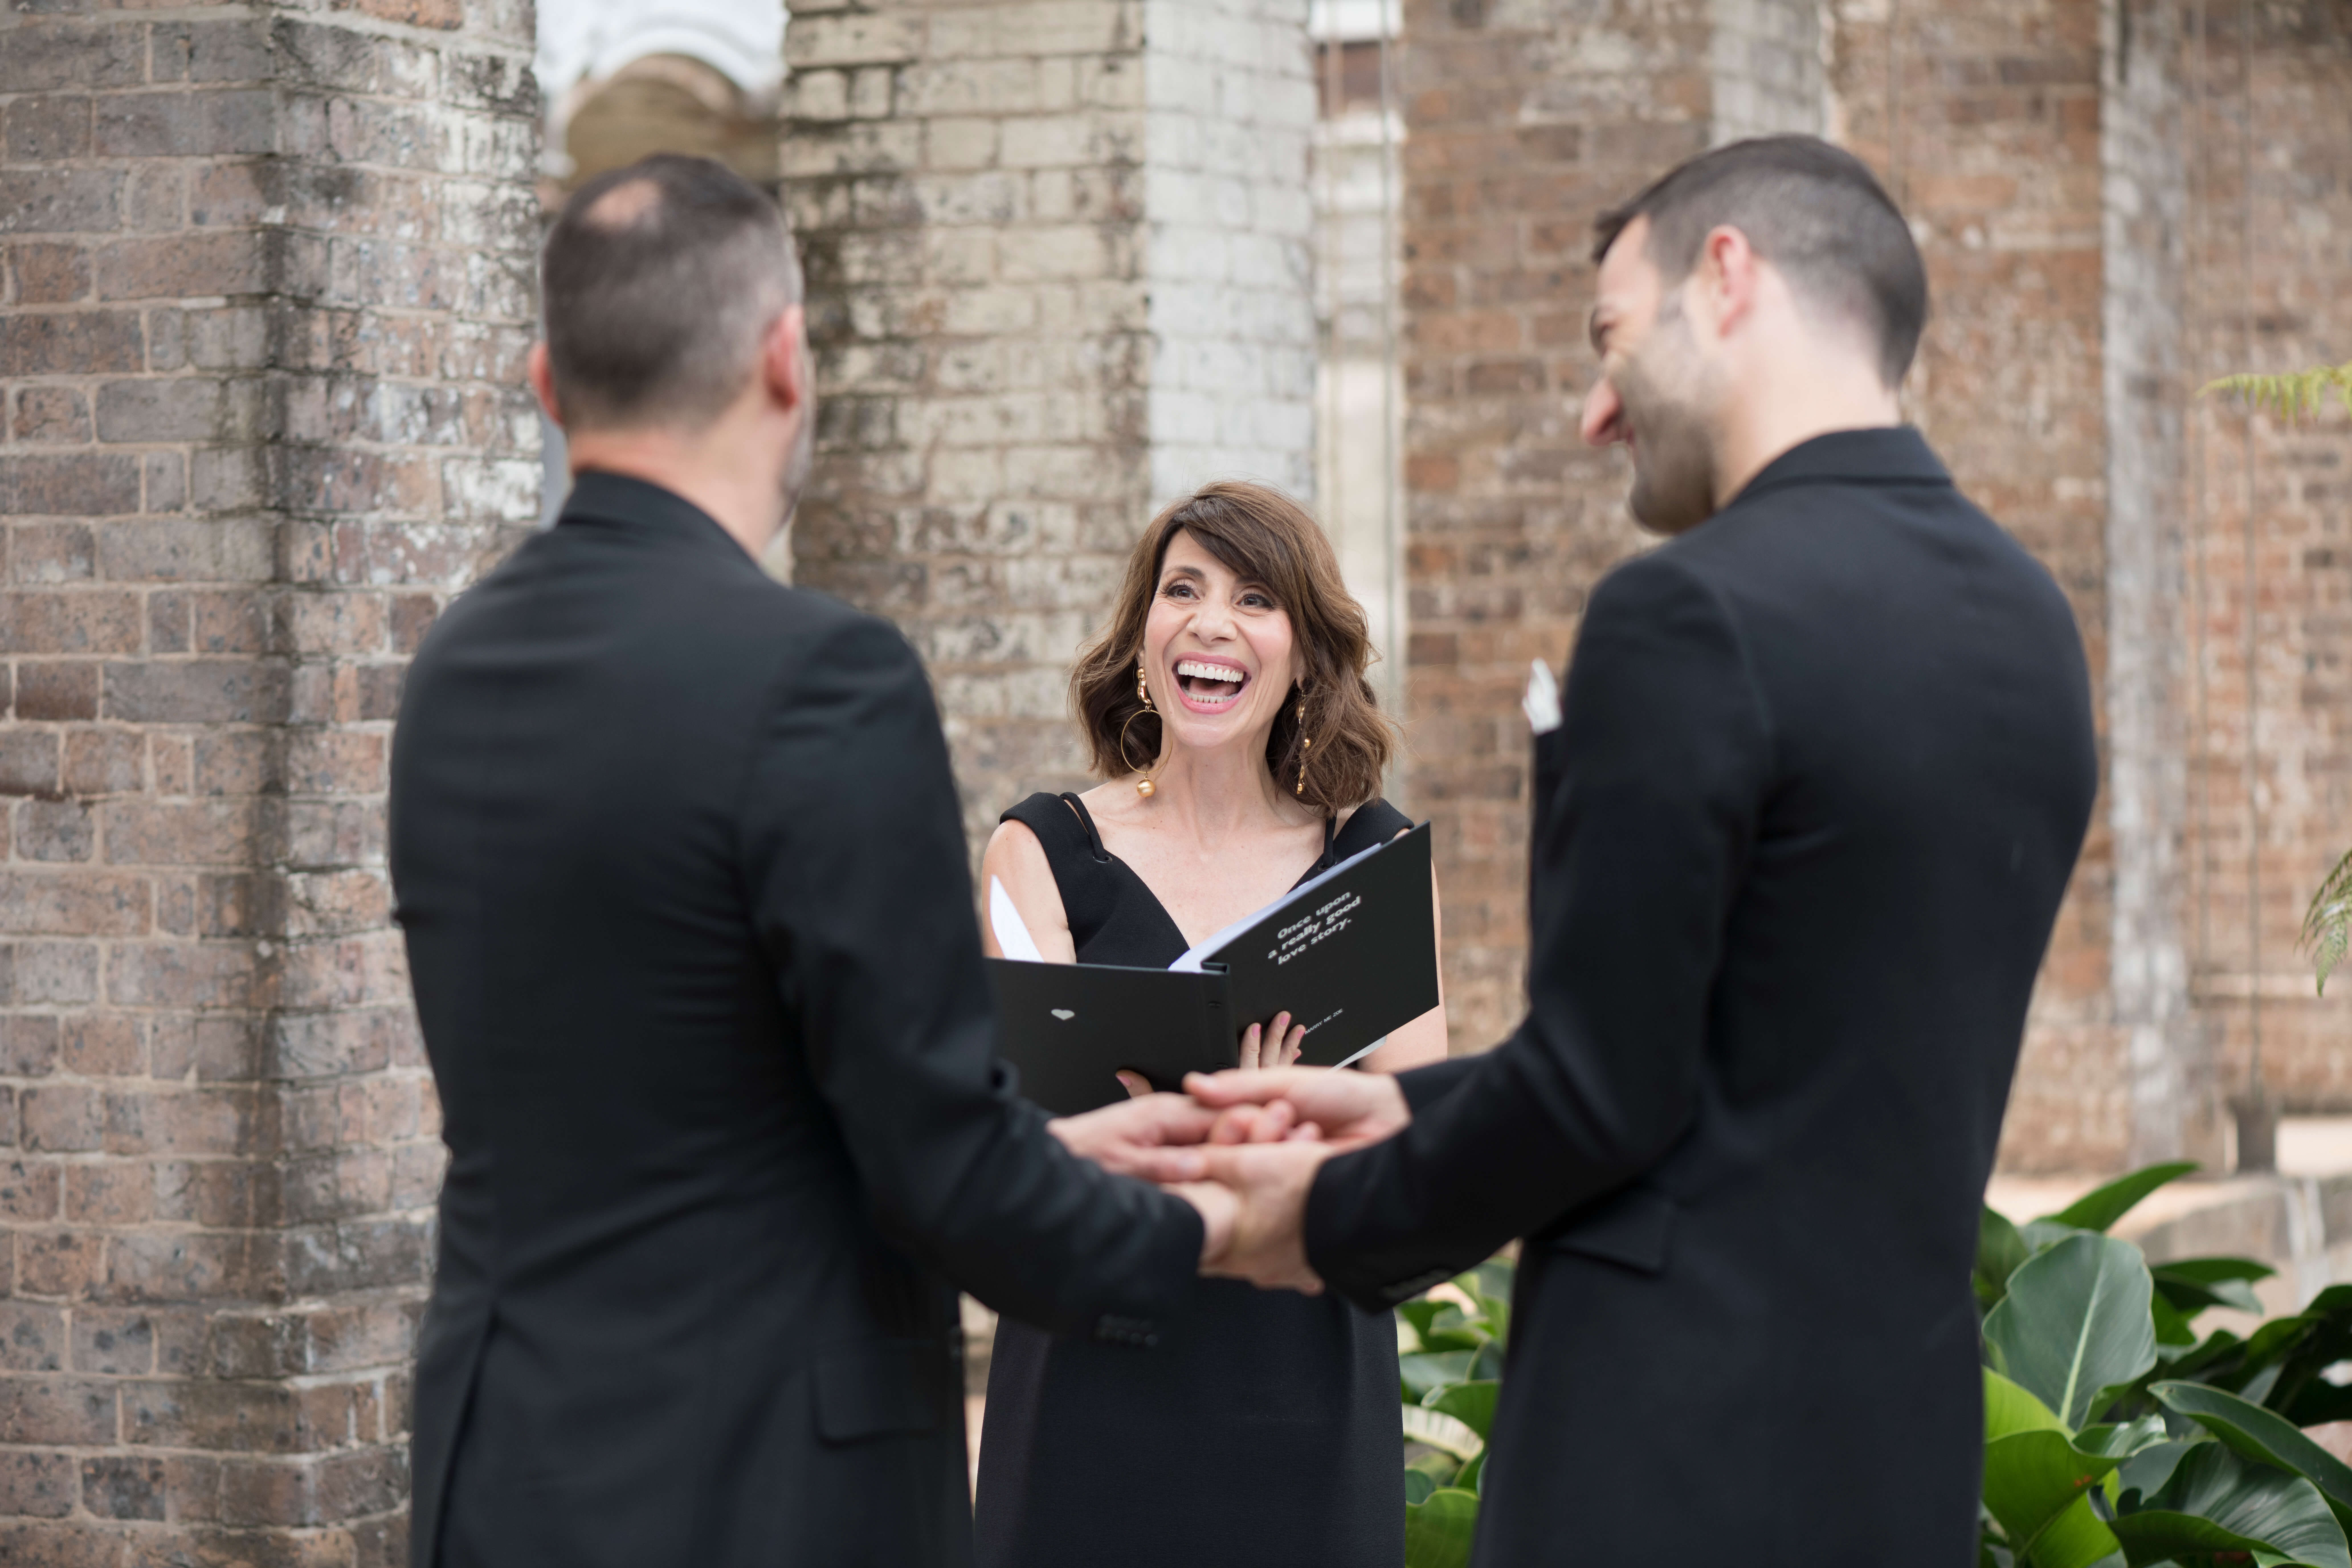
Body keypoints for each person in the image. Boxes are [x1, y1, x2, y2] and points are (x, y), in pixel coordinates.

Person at [1165, 135, 2102, 1565]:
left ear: (1726, 279)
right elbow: (1753, 1064)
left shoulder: (1688, 614)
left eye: (1612, 338)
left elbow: (1601, 1089)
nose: (1596, 409)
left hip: (1664, 1456)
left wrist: (1325, 1213)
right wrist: (1404, 1109)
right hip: (1893, 1457)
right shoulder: (2033, 625)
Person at [388, 154, 1237, 1568]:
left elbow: (690, 1106)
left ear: (548, 384)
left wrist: (1050, 1145)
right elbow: (939, 1170)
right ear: (786, 357)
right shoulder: (823, 676)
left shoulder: (453, 669)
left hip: (504, 1469)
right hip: (758, 1483)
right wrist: (1226, 1224)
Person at [973, 481, 1447, 1568]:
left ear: (1304, 658)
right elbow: (994, 1154)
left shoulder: (1373, 865)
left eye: (1255, 599)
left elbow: (1421, 1165)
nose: (1212, 622)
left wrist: (1293, 1130)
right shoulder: (1037, 853)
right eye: (1183, 590)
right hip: (1089, 1377)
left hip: (1302, 1382)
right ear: (1145, 639)